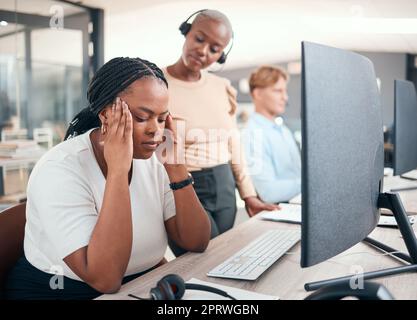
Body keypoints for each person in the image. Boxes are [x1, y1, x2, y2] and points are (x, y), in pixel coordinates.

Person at [5, 57, 211, 300]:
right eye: (142, 117)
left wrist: (177, 169)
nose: (155, 130)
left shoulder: (154, 159)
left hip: (137, 286)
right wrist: (117, 171)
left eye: (160, 118)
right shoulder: (59, 169)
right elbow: (106, 278)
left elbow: (196, 241)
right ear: (106, 116)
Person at [164, 9, 278, 256]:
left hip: (224, 184)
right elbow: (157, 152)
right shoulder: (158, 85)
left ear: (221, 56)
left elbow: (233, 143)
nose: (204, 52)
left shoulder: (222, 87)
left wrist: (248, 195)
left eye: (215, 49)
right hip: (184, 186)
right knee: (198, 258)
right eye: (199, 39)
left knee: (221, 260)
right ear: (187, 32)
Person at [244, 65, 301, 203]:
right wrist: (311, 183)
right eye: (278, 91)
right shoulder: (252, 135)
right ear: (258, 94)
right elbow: (268, 193)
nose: (285, 97)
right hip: (277, 213)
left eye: (285, 91)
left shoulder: (284, 131)